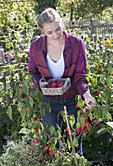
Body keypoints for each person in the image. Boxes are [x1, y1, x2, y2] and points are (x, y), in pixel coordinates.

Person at [28, 8, 96, 156]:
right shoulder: (36, 47)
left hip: (72, 99)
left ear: (62, 24)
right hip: (49, 100)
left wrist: (86, 93)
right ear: (43, 32)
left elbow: (80, 74)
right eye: (49, 33)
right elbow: (33, 72)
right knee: (52, 144)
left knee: (75, 144)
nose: (55, 35)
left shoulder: (76, 44)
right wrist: (40, 83)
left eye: (58, 29)